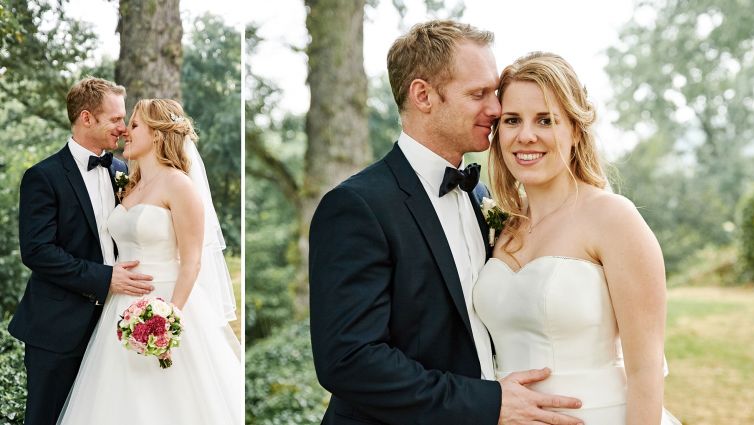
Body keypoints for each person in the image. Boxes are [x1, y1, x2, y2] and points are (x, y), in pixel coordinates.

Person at [309, 21, 583, 425]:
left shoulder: (482, 199)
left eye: (494, 93)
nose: (495, 109)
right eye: (478, 94)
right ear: (423, 95)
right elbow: (348, 360)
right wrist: (487, 403)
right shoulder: (356, 206)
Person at [473, 52, 681, 424]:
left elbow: (645, 373)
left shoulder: (614, 219)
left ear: (574, 129)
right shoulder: (500, 224)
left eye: (545, 120)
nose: (526, 136)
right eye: (512, 120)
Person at [56, 99, 242, 424]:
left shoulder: (180, 185)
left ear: (157, 134)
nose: (126, 131)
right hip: (119, 308)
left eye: (136, 125)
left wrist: (169, 321)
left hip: (167, 302)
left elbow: (192, 261)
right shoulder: (129, 185)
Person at [9, 77, 154, 425]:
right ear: (86, 118)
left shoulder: (123, 171)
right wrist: (106, 279)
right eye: (116, 119)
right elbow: (38, 251)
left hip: (115, 325)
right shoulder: (43, 176)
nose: (123, 128)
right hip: (57, 329)